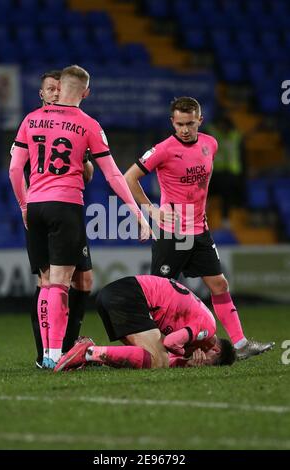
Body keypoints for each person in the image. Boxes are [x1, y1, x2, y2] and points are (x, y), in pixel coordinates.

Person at [9, 64, 150, 369]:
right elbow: (112, 174)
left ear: (58, 88)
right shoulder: (88, 124)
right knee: (60, 284)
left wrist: (23, 206)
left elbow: (13, 170)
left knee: (46, 282)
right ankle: (57, 354)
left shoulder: (31, 119)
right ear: (86, 92)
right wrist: (137, 213)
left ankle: (47, 355)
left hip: (35, 205)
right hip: (65, 205)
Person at [124, 96, 274, 360]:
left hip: (200, 229)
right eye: (180, 124)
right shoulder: (163, 149)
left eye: (190, 123)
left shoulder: (210, 144)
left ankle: (239, 345)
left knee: (219, 284)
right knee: (161, 295)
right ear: (172, 122)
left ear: (199, 121)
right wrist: (150, 209)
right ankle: (157, 351)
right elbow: (129, 177)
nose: (184, 129)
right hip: (171, 232)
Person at [25, 70, 94, 369]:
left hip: (70, 209)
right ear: (41, 94)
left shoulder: (76, 126)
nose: (55, 93)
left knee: (84, 281)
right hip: (49, 208)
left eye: (58, 89)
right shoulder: (33, 123)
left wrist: (84, 160)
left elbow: (88, 175)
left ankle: (67, 346)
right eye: (50, 89)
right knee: (49, 283)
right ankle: (46, 353)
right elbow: (19, 168)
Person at [55, 275, 237, 372]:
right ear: (216, 350)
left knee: (147, 358)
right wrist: (185, 356)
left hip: (119, 294)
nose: (204, 362)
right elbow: (170, 342)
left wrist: (184, 361)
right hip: (130, 296)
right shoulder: (207, 327)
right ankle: (87, 352)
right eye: (209, 363)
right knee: (159, 360)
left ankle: (90, 355)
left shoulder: (200, 330)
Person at [207, 113, 245, 228]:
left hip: (230, 173)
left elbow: (242, 155)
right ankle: (200, 218)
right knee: (204, 194)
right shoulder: (212, 133)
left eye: (224, 125)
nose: (222, 127)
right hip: (214, 172)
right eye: (220, 125)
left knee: (227, 196)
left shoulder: (236, 136)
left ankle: (225, 220)